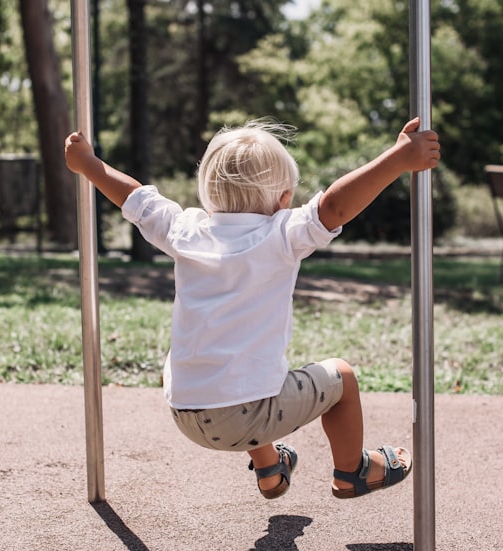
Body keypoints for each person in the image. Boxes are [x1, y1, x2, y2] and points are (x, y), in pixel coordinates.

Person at [65, 117, 440, 500]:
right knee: (341, 378)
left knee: (232, 370)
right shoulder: (282, 233)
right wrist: (396, 160)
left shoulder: (184, 229)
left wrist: (88, 164)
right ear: (283, 199)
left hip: (184, 411)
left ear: (208, 192)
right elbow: (336, 206)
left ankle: (270, 466)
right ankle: (353, 471)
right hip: (246, 415)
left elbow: (133, 198)